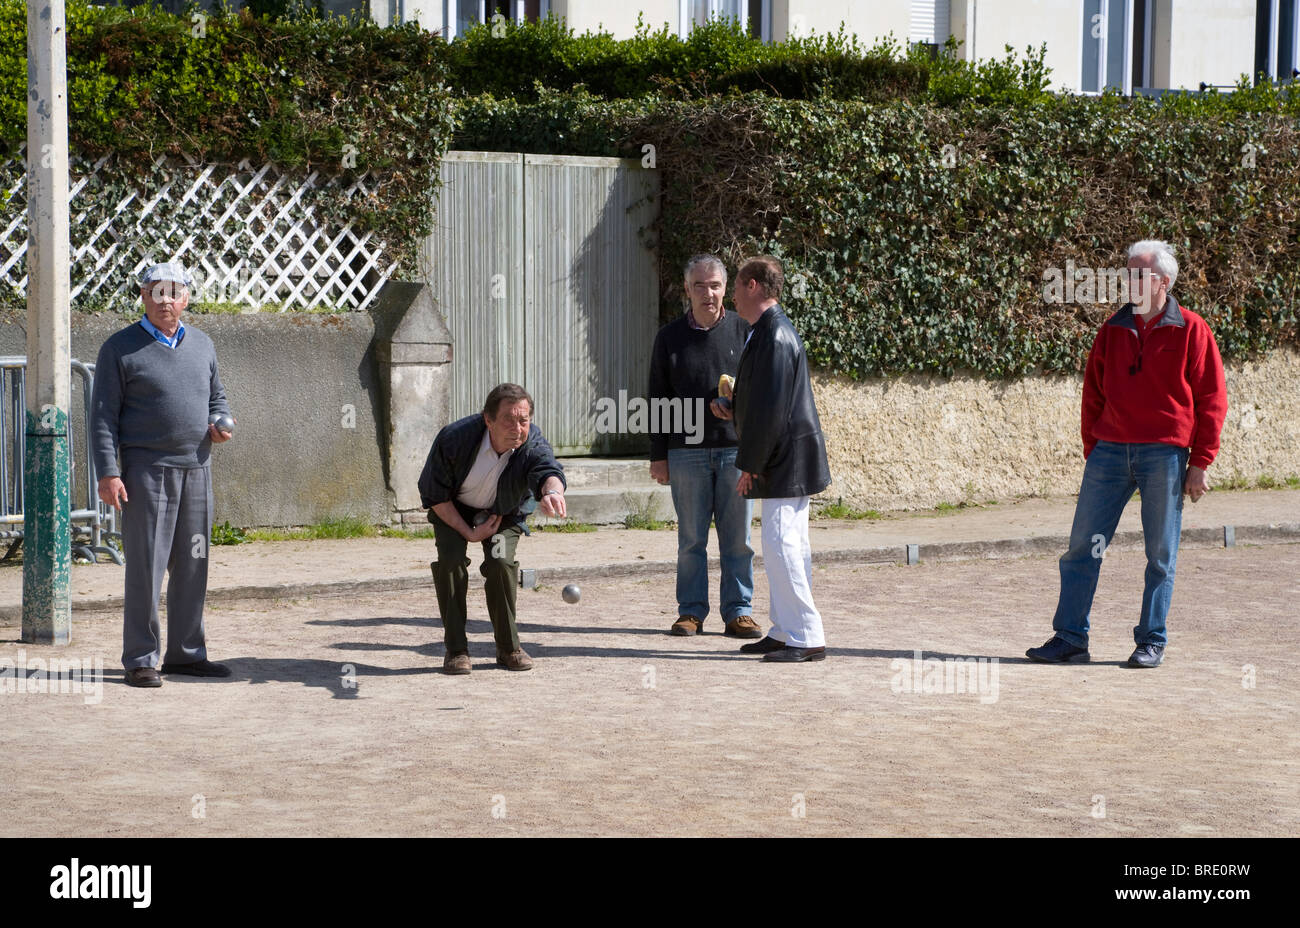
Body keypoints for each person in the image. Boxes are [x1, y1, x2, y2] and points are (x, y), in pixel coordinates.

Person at [1027, 239, 1227, 668]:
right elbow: (1093, 393)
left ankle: (1151, 639)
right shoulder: (1112, 330)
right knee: (1083, 546)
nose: (1128, 281)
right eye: (1127, 273)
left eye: (1139, 274)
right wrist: (1094, 448)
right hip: (1110, 454)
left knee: (1160, 553)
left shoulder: (1192, 329)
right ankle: (1070, 637)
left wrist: (1200, 462)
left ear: (1164, 282)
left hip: (1166, 456)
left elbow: (1212, 398)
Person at [90, 262, 235, 688]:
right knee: (146, 568)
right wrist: (108, 473)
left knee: (193, 562)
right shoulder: (119, 348)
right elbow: (102, 418)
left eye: (174, 292)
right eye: (157, 291)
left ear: (187, 297)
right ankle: (140, 658)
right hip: (146, 474)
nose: (165, 300)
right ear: (143, 296)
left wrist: (221, 422)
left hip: (197, 470)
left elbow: (218, 397)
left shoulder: (203, 344)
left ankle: (187, 655)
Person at [713, 256, 832, 663]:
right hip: (785, 456)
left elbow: (772, 411)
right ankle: (784, 629)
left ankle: (806, 635)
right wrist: (734, 406)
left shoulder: (774, 335)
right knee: (788, 545)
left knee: (783, 545)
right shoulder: (765, 331)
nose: (730, 295)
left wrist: (750, 464)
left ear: (751, 285)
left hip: (784, 459)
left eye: (735, 285)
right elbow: (763, 399)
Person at [418, 383, 567, 674]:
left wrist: (553, 492)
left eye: (523, 421)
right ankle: (456, 651)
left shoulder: (531, 442)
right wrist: (468, 532)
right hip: (454, 509)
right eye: (509, 420)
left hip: (503, 513)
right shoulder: (455, 438)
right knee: (451, 562)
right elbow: (434, 495)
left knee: (500, 562)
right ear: (488, 420)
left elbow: (548, 470)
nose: (518, 428)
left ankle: (508, 648)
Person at [648, 254, 759, 638]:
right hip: (686, 452)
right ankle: (691, 612)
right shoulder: (669, 337)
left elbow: (760, 392)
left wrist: (740, 415)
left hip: (736, 452)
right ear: (687, 289)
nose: (707, 293)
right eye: (699, 285)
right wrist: (659, 456)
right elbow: (657, 397)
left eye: (714, 285)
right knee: (691, 538)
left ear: (725, 289)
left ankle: (739, 611)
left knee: (738, 539)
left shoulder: (746, 331)